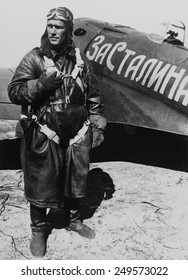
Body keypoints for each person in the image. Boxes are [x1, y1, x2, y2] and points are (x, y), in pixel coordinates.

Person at [7, 7, 107, 258]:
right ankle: (39, 230)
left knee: (76, 179)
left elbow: (93, 96)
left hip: (77, 132)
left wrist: (96, 124)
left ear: (69, 30)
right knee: (41, 183)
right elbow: (15, 91)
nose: (53, 30)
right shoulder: (35, 58)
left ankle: (74, 220)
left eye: (59, 26)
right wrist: (41, 85)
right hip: (44, 132)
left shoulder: (80, 60)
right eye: (50, 25)